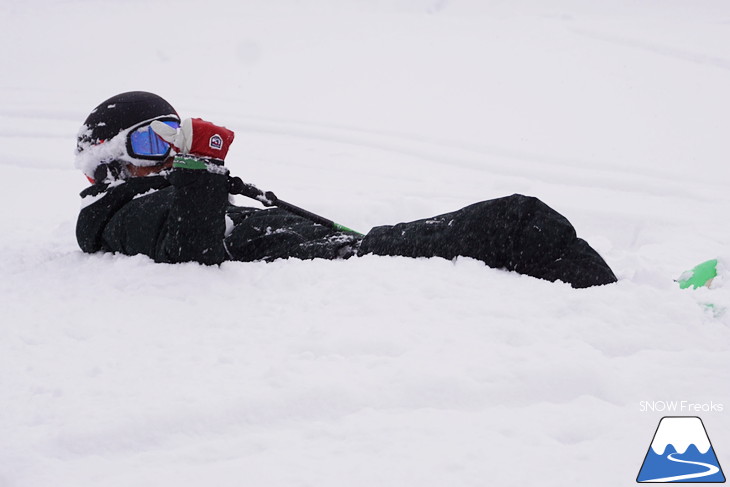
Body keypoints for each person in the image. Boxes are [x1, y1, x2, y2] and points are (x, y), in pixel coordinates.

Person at [75, 91, 617, 288]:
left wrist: (201, 176)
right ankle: (623, 303)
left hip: (342, 250)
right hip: (346, 259)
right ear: (108, 157)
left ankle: (613, 298)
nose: (169, 150)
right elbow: (193, 253)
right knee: (512, 219)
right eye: (151, 140)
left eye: (174, 135)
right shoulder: (117, 216)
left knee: (507, 235)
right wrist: (202, 166)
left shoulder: (157, 200)